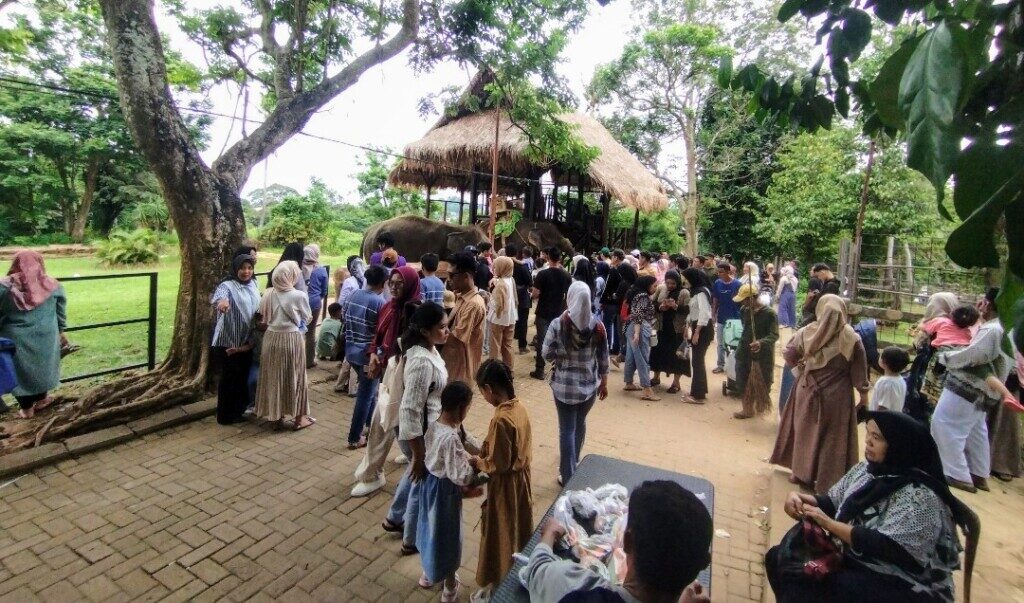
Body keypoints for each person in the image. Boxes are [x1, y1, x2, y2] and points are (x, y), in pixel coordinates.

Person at [767, 411, 967, 602]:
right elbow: (833, 502)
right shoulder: (867, 470)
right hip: (859, 561)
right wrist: (799, 498)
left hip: (905, 581)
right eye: (869, 434)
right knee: (778, 558)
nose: (868, 441)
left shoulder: (921, 495)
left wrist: (829, 524)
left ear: (899, 445)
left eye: (877, 438)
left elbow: (889, 548)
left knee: (814, 586)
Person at [525, 481, 712, 603]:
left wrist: (549, 533)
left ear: (627, 541)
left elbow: (537, 570)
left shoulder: (577, 590)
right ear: (699, 567)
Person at [771, 295, 869, 493]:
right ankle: (827, 480)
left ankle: (800, 473)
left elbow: (789, 354)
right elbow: (860, 372)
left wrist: (805, 364)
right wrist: (864, 398)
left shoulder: (807, 332)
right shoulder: (852, 338)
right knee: (833, 439)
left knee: (804, 431)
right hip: (838, 397)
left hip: (807, 390)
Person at [382, 302, 450, 557]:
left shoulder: (428, 350)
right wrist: (419, 454)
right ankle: (410, 539)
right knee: (421, 482)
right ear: (425, 330)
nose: (447, 332)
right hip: (419, 434)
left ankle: (394, 518)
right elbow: (410, 410)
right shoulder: (421, 361)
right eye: (442, 327)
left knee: (414, 474)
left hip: (426, 430)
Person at [351, 265, 422, 497]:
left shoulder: (417, 312)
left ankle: (373, 473)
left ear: (410, 284)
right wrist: (373, 354)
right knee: (387, 422)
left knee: (384, 422)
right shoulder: (388, 307)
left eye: (399, 283)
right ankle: (385, 465)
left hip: (407, 378)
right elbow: (378, 336)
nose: (393, 287)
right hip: (389, 375)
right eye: (391, 283)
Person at [931, 288, 1011, 493]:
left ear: (989, 304)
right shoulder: (1009, 329)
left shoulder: (993, 330)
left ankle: (957, 474)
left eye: (983, 301)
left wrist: (947, 358)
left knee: (945, 424)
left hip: (969, 385)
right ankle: (978, 473)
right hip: (987, 390)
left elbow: (974, 356)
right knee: (976, 430)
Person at [470, 359, 533, 596]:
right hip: (521, 483)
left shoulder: (501, 419)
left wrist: (477, 461)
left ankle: (500, 586)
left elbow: (499, 463)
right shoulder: (520, 408)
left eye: (482, 392)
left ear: (488, 390)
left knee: (502, 534)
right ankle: (513, 577)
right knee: (518, 531)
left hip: (506, 487)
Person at [416, 381, 481, 602]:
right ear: (461, 407)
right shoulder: (450, 437)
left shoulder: (436, 425)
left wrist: (484, 450)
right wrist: (475, 467)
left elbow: (467, 439)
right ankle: (450, 586)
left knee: (431, 530)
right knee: (449, 538)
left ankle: (428, 573)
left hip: (429, 489)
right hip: (445, 493)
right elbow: (459, 475)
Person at [543, 281, 609, 484]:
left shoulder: (558, 323)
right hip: (589, 387)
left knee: (566, 430)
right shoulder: (598, 326)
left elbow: (546, 353)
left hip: (563, 387)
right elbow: (604, 358)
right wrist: (604, 383)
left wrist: (560, 355)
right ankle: (575, 460)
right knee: (579, 423)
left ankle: (567, 474)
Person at [0, 250, 67, 419]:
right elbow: (60, 312)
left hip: (16, 338)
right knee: (42, 366)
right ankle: (42, 398)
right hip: (46, 336)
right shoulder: (53, 286)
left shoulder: (4, 287)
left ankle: (27, 409)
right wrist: (61, 331)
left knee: (21, 371)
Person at [255, 260, 314, 430]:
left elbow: (262, 316)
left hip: (271, 338)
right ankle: (299, 418)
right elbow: (307, 317)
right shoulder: (298, 295)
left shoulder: (268, 294)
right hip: (291, 339)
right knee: (295, 376)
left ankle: (275, 416)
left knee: (274, 377)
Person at [211, 253, 260, 425]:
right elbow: (220, 297)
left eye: (249, 268)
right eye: (242, 268)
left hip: (246, 341)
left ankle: (238, 411)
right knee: (229, 379)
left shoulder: (254, 283)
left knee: (242, 377)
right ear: (236, 269)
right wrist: (222, 303)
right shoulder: (227, 285)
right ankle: (225, 416)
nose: (246, 272)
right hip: (228, 341)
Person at [342, 266, 388, 449]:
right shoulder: (379, 302)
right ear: (383, 283)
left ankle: (371, 425)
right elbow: (381, 332)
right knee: (365, 395)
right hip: (368, 356)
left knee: (369, 393)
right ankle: (354, 437)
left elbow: (345, 317)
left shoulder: (354, 294)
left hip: (351, 352)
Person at [732, 283, 780, 419]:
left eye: (745, 299)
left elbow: (774, 335)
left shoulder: (769, 313)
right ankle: (747, 409)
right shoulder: (744, 310)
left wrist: (761, 342)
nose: (742, 302)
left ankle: (760, 402)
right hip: (744, 351)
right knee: (742, 379)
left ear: (753, 298)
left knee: (764, 380)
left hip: (762, 354)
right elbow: (745, 327)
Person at [440, 252, 486, 385]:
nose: (448, 279)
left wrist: (430, 334)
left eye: (452, 275)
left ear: (466, 276)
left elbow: (456, 338)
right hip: (452, 365)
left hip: (460, 371)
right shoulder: (462, 297)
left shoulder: (473, 304)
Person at [530, 247, 572, 380]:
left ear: (548, 257)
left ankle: (540, 370)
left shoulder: (542, 274)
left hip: (543, 312)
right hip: (559, 312)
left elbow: (535, 293)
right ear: (560, 258)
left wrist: (534, 296)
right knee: (559, 340)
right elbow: (569, 295)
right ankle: (558, 368)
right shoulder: (566, 275)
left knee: (542, 341)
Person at [648, 270, 691, 394]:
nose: (670, 285)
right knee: (658, 352)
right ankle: (656, 377)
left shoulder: (684, 292)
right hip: (662, 327)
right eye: (668, 283)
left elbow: (689, 309)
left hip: (676, 329)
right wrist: (661, 307)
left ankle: (676, 383)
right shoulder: (661, 288)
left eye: (672, 283)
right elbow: (652, 302)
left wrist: (675, 306)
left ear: (677, 281)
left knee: (677, 356)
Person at [623, 275, 660, 401]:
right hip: (639, 327)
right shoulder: (643, 296)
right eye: (654, 285)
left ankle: (629, 382)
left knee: (631, 356)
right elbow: (638, 315)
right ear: (647, 285)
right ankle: (647, 389)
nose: (656, 288)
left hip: (630, 327)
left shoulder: (634, 293)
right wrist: (637, 333)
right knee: (643, 358)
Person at [681, 268, 714, 405]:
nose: (684, 281)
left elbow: (704, 314)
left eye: (686, 279)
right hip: (697, 327)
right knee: (697, 361)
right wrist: (688, 325)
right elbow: (694, 312)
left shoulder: (701, 292)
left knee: (698, 361)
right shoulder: (697, 291)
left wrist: (697, 332)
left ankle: (698, 395)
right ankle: (698, 391)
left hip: (703, 329)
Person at [487, 256, 518, 368]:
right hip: (511, 317)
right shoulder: (511, 279)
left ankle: (492, 371)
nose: (494, 268)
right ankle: (509, 370)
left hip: (497, 318)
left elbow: (495, 305)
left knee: (494, 346)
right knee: (508, 345)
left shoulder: (499, 283)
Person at [711, 262, 742, 374]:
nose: (719, 274)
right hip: (721, 318)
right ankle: (720, 365)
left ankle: (731, 367)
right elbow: (715, 301)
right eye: (718, 272)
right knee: (720, 343)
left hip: (734, 319)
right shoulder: (717, 283)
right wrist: (713, 315)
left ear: (728, 272)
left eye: (721, 272)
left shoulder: (738, 284)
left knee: (732, 344)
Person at [302, 244, 329, 367]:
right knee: (311, 332)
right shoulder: (322, 270)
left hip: (299, 302)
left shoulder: (298, 267)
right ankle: (309, 361)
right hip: (314, 303)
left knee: (298, 330)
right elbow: (324, 290)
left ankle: (297, 360)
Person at [506, 244, 533, 355]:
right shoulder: (522, 266)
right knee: (522, 321)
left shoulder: (502, 264)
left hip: (507, 295)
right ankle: (522, 347)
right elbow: (530, 282)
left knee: (507, 320)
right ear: (517, 253)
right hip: (521, 296)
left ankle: (506, 345)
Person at [870, 346, 910, 412]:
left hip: (881, 421)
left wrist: (872, 420)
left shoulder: (886, 383)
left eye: (880, 355)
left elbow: (882, 408)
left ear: (884, 362)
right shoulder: (901, 380)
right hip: (894, 419)